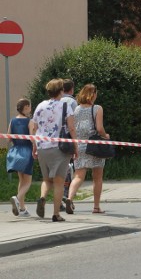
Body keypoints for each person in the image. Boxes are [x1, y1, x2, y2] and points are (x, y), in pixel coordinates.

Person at [31, 78, 77, 221]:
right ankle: (56, 214)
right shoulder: (65, 106)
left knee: (46, 180)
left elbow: (34, 127)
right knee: (59, 182)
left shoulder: (40, 106)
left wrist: (34, 146)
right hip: (59, 148)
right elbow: (71, 127)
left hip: (42, 147)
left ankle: (42, 197)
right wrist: (76, 146)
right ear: (61, 91)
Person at [67, 84, 109, 214]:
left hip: (79, 145)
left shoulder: (76, 109)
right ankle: (96, 207)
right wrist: (106, 136)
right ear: (93, 94)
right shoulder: (97, 108)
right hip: (94, 145)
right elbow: (99, 128)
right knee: (97, 177)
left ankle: (69, 198)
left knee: (78, 176)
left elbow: (72, 127)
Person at [7, 98, 34, 217]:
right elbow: (32, 138)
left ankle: (22, 209)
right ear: (26, 107)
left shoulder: (12, 121)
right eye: (30, 106)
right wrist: (35, 150)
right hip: (27, 151)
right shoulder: (29, 121)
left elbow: (9, 138)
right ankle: (17, 199)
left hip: (15, 152)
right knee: (28, 181)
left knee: (21, 180)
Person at [58, 79, 77, 208]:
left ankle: (58, 198)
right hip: (67, 138)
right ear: (72, 89)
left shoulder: (56, 100)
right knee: (68, 167)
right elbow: (74, 122)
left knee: (57, 169)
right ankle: (65, 195)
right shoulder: (72, 102)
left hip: (54, 138)